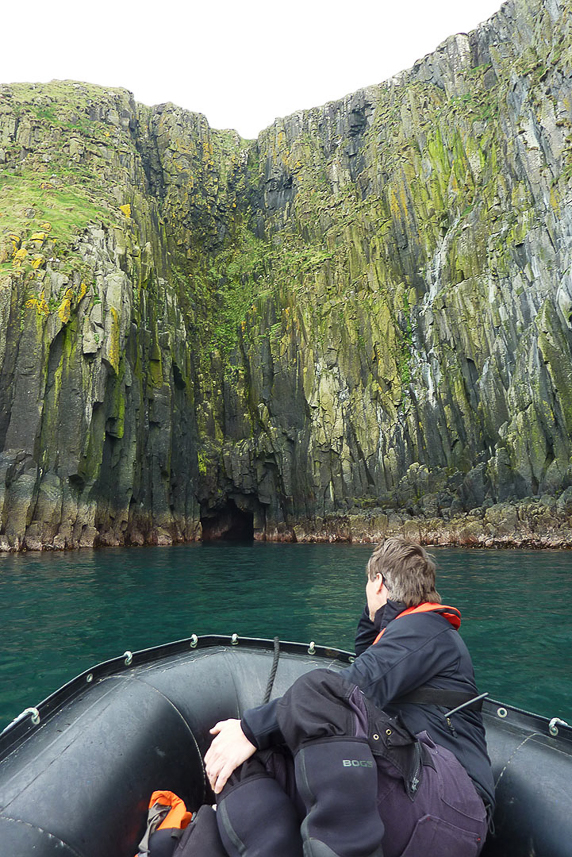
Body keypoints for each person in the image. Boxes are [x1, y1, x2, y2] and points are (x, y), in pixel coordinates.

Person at [204, 537, 495, 857]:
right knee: (251, 759)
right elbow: (367, 660)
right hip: (411, 796)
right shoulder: (405, 636)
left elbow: (350, 689)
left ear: (378, 583)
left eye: (369, 583)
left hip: (455, 807)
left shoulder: (427, 629)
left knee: (314, 692)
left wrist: (250, 729)